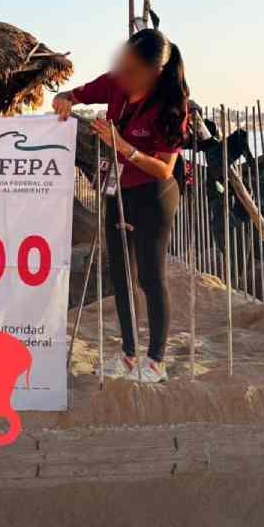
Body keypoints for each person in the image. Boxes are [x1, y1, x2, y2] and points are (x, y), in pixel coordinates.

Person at [55, 29, 189, 383]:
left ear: (154, 72)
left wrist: (123, 146)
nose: (124, 75)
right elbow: (74, 92)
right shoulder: (115, 84)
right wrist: (64, 99)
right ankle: (129, 355)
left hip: (154, 195)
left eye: (132, 70)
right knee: (121, 276)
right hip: (117, 192)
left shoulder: (172, 106)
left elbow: (165, 169)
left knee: (149, 276)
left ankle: (156, 360)